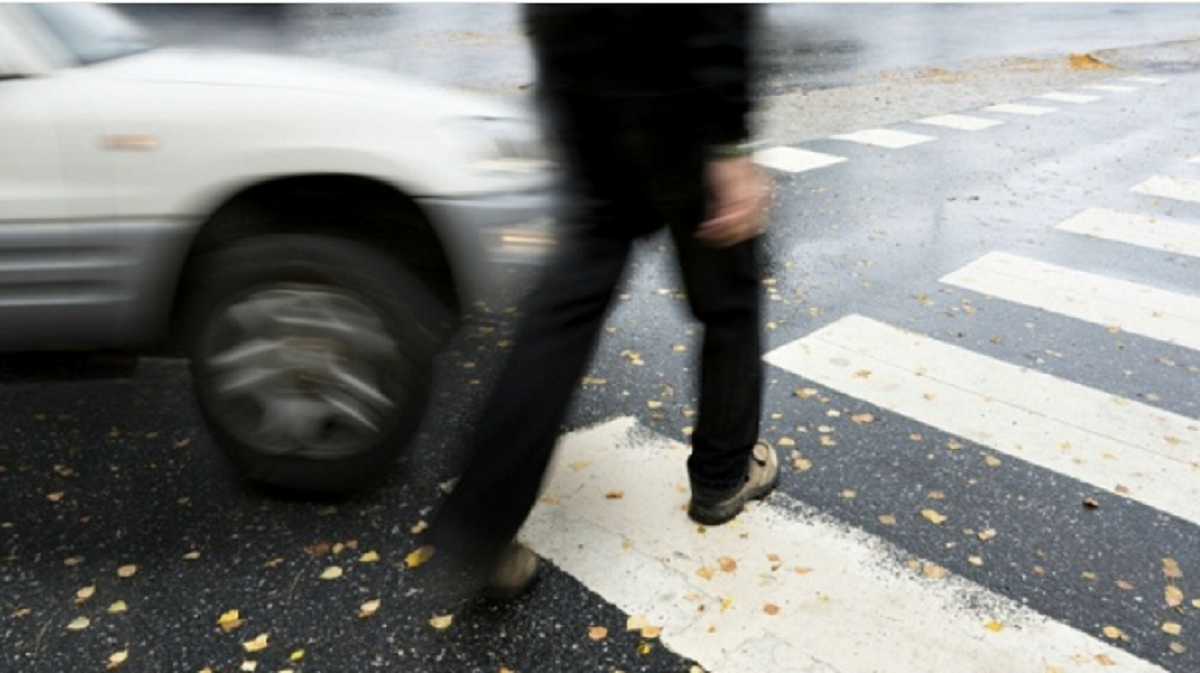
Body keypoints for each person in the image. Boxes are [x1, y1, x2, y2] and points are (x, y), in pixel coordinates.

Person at [428, 5, 778, 599]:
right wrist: (728, 142)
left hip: (584, 91)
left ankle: (480, 524)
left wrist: (562, 86)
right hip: (677, 90)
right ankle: (722, 477)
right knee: (729, 301)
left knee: (562, 317)